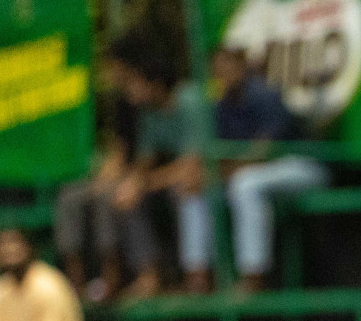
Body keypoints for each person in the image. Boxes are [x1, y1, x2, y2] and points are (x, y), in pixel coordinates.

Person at [181, 46, 328, 293]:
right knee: (193, 191)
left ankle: (253, 275)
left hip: (300, 165)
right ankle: (198, 276)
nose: (224, 72)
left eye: (229, 65)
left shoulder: (264, 94)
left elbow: (264, 153)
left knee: (245, 183)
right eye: (218, 67)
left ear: (242, 66)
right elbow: (216, 156)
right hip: (261, 174)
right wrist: (205, 177)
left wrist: (219, 173)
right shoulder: (221, 106)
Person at [53, 38, 147, 301]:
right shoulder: (118, 102)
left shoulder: (147, 98)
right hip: (121, 174)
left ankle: (111, 279)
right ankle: (76, 283)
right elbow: (119, 149)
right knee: (71, 196)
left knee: (107, 197)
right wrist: (104, 176)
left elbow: (146, 156)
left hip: (143, 178)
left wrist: (126, 179)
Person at [116, 47, 206, 296]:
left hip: (213, 173)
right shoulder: (147, 112)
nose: (130, 92)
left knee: (186, 191)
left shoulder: (191, 101)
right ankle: (149, 276)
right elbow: (145, 160)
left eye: (136, 84)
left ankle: (198, 278)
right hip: (169, 179)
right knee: (127, 198)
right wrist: (131, 184)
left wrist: (144, 184)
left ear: (154, 84)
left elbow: (192, 164)